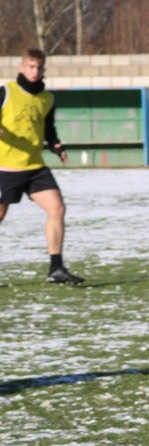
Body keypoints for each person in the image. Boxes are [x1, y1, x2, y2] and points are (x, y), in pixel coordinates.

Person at [0, 48, 82, 284]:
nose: (35, 71)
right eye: (30, 66)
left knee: (57, 209)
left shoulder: (47, 98)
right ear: (21, 67)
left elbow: (48, 128)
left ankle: (56, 269)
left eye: (39, 67)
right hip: (5, 167)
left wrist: (56, 145)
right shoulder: (5, 91)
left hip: (35, 167)